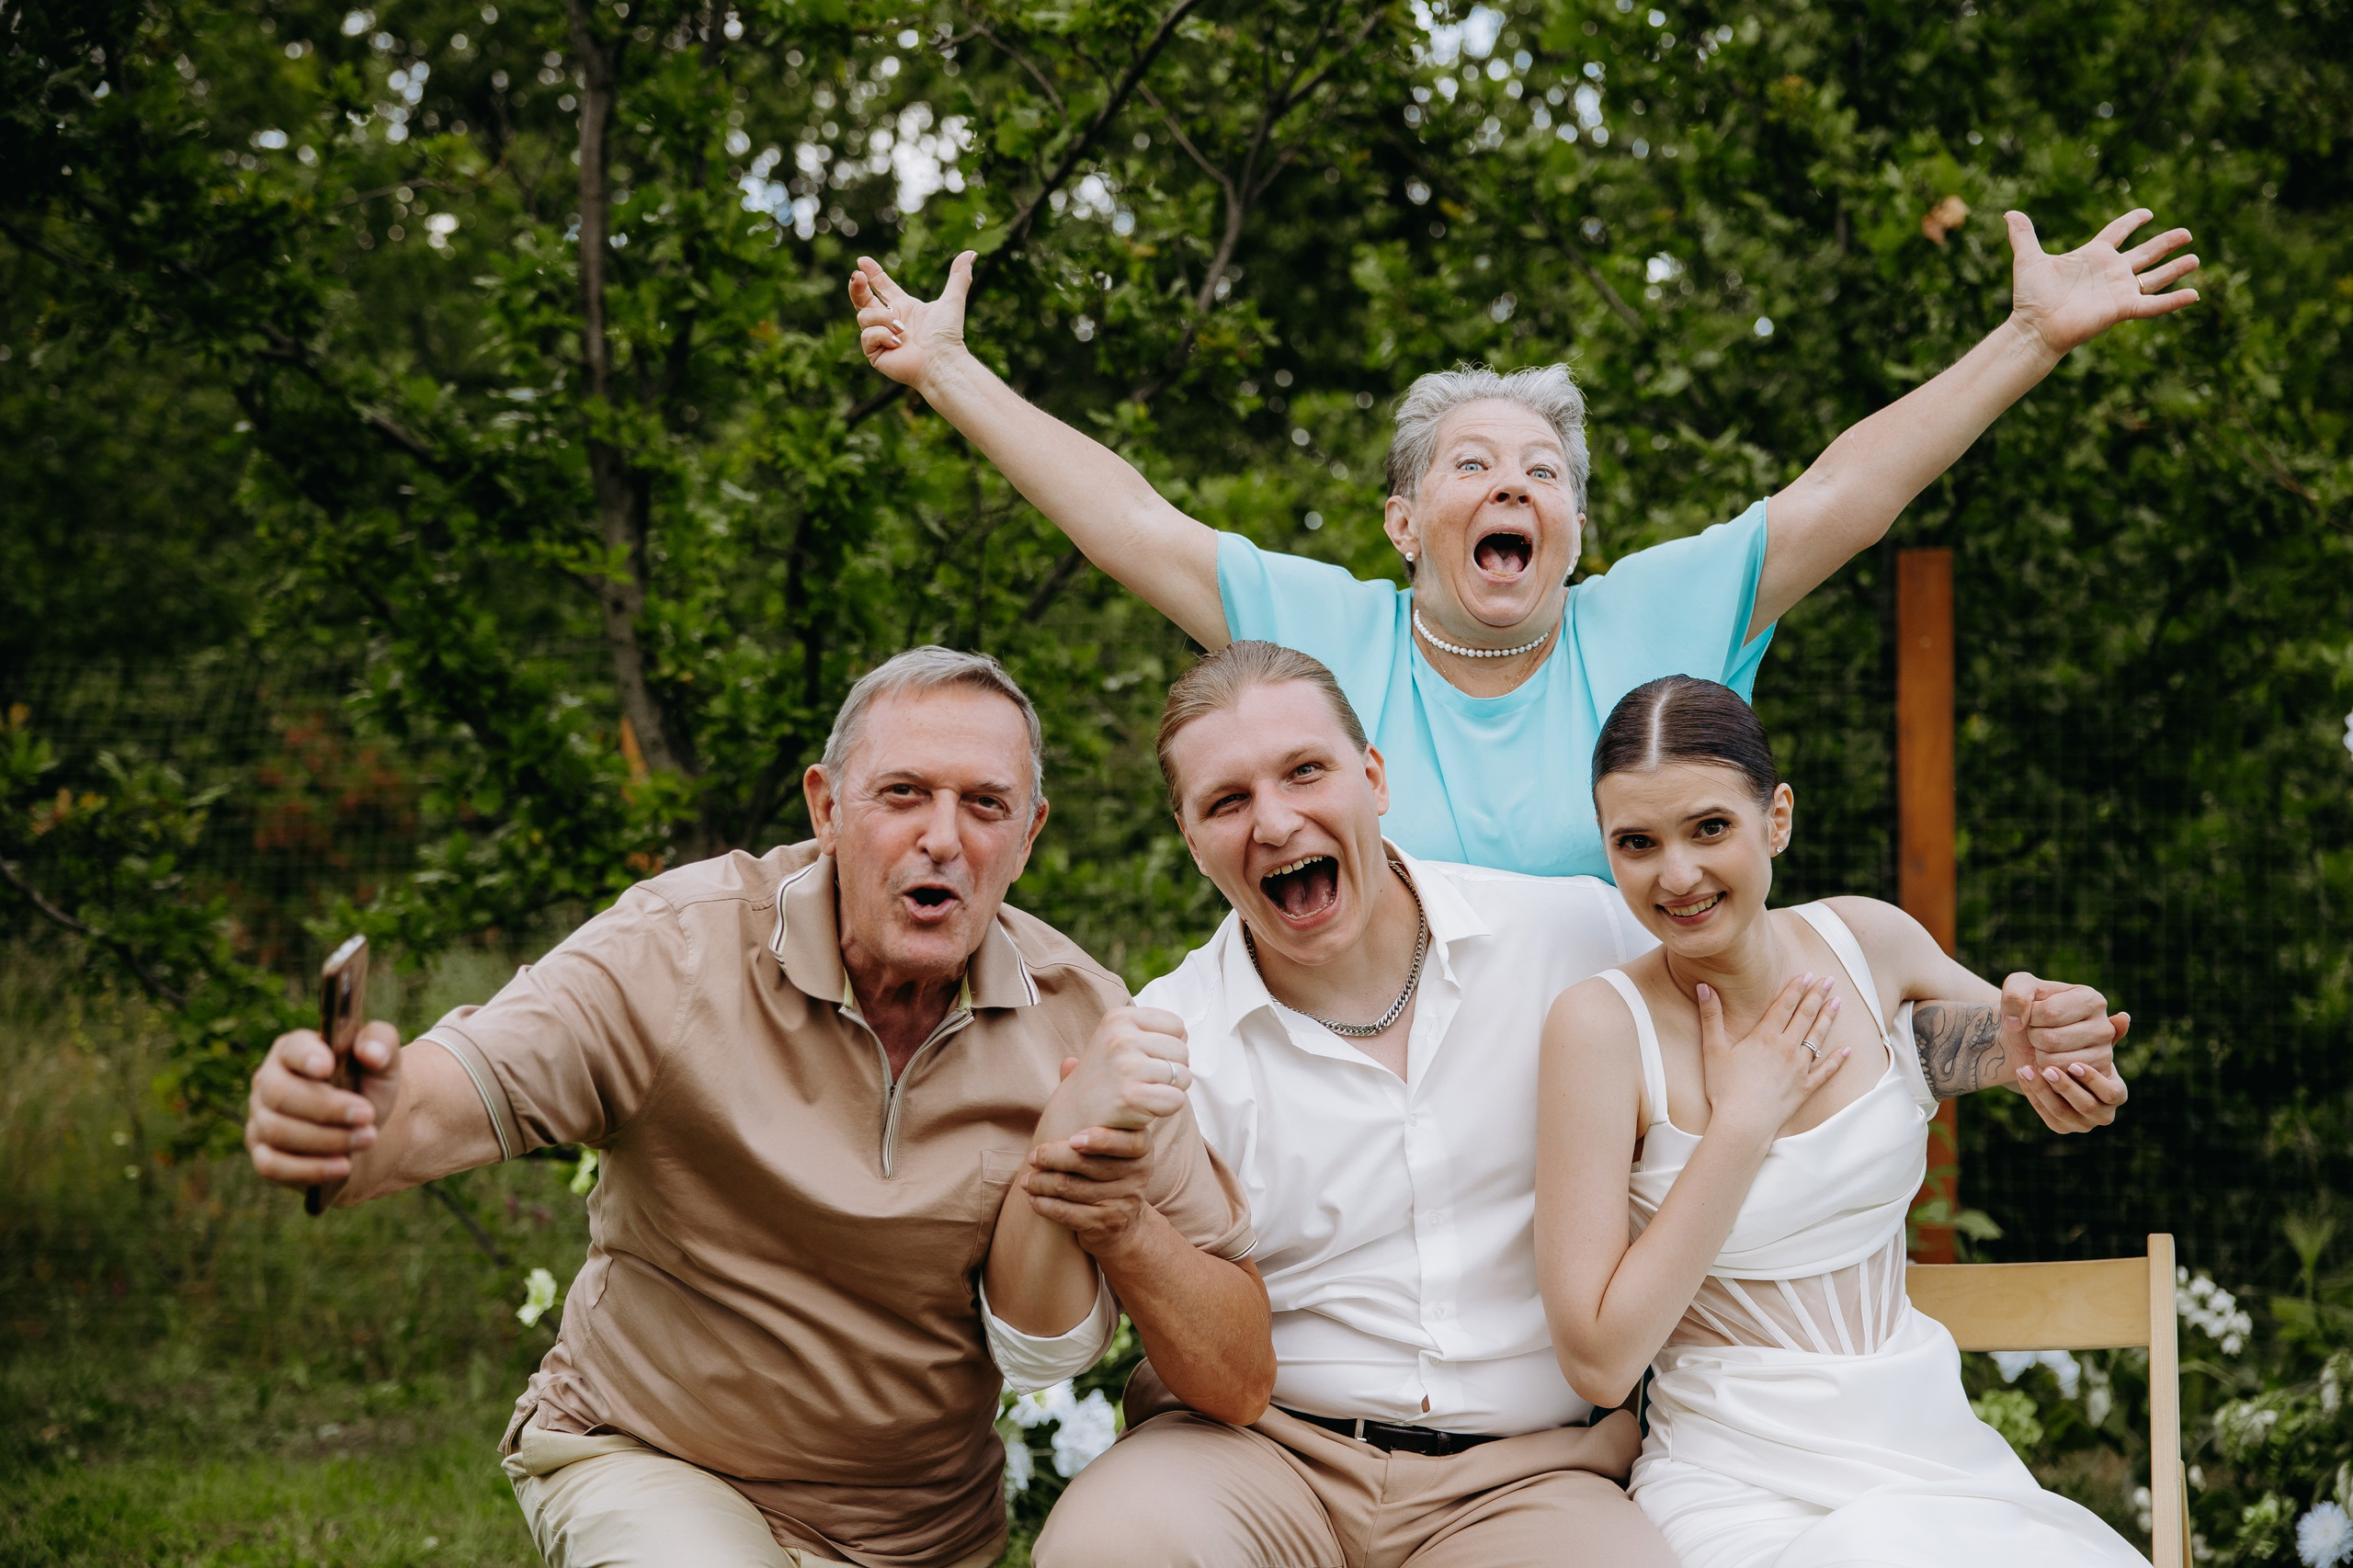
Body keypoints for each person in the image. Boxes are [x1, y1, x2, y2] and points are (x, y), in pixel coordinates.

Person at [1026, 642, 2126, 1568]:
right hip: (1260, 1451)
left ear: (1371, 775)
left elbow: (1831, 1034)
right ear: (1191, 837)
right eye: (1227, 800)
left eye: (1303, 772)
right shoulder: (1171, 1034)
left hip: (1525, 1471)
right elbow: (1054, 1334)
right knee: (1105, 1551)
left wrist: (2022, 1045)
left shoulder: (1573, 935)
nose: (1272, 822)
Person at [241, 646, 1271, 1568]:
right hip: (655, 1461)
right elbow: (450, 1093)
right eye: (901, 793)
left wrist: (1116, 1213)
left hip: (921, 1535)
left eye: (985, 804)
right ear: (826, 806)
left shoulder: (1085, 1021)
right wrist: (352, 1118)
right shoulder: (679, 946)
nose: (942, 839)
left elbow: (1235, 1365)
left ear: (1029, 831)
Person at [846, 210, 2200, 878]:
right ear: (1405, 522)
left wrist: (2029, 338)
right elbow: (1125, 522)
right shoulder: (1331, 633)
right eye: (1474, 465)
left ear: (1575, 526)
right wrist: (949, 372)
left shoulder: (1650, 619)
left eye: (1544, 470)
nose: (1514, 485)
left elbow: (1852, 491)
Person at [1536, 675, 2140, 1568]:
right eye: (1636, 842)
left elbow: (2016, 1050)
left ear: (1775, 817)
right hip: (1736, 1484)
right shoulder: (1598, 1028)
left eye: (1709, 827)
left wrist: (2063, 1050)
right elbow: (1597, 1361)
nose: (1676, 874)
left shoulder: (1870, 947)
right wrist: (1742, 1122)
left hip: (1933, 1456)